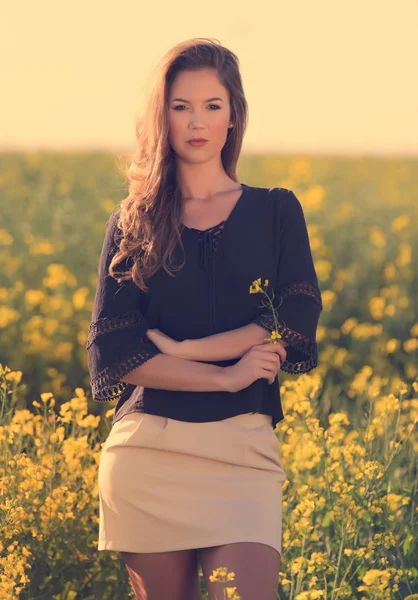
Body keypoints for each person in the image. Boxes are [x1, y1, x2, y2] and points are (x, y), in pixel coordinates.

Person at [86, 37, 323, 600]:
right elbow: (116, 353)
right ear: (161, 117)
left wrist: (189, 350)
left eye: (213, 106)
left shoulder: (276, 210)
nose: (197, 121)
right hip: (148, 451)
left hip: (243, 451)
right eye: (181, 106)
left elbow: (293, 317)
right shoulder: (133, 221)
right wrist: (225, 373)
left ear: (233, 117)